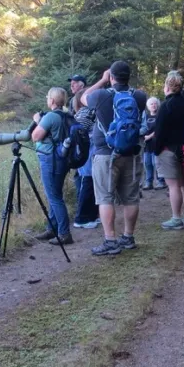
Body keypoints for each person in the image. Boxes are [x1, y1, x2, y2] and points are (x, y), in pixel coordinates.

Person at [81, 61, 147, 256]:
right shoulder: (139, 96)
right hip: (131, 153)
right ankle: (128, 237)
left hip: (105, 153)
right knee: (131, 198)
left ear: (112, 77)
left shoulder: (100, 95)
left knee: (105, 197)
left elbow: (82, 98)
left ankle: (110, 240)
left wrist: (102, 80)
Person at [31, 87, 75, 245]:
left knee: (55, 198)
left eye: (48, 97)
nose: (47, 99)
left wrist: (37, 120)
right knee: (54, 195)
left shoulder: (50, 117)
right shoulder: (66, 115)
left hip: (50, 160)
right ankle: (52, 229)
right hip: (62, 160)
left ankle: (64, 234)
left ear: (52, 100)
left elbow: (35, 136)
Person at [153, 71, 184, 230]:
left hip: (168, 149)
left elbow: (160, 130)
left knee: (173, 185)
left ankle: (176, 217)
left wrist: (156, 150)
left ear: (167, 87)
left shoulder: (166, 106)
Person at [71, 89, 100, 229]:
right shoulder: (84, 113)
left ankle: (92, 216)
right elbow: (79, 132)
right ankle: (81, 217)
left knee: (92, 182)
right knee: (87, 182)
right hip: (87, 151)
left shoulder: (88, 112)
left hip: (89, 151)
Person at [68, 75, 88, 202]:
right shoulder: (72, 100)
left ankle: (83, 205)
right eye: (71, 84)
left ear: (82, 85)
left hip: (83, 143)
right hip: (79, 143)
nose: (72, 86)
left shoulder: (86, 97)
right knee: (80, 175)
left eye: (74, 83)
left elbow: (75, 122)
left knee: (83, 176)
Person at [140, 97, 165, 190]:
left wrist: (149, 136)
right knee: (147, 163)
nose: (153, 105)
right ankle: (148, 182)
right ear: (148, 106)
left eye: (155, 103)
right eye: (151, 104)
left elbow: (159, 129)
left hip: (156, 144)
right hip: (146, 145)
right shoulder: (145, 117)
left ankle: (160, 181)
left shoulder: (160, 115)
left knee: (156, 163)